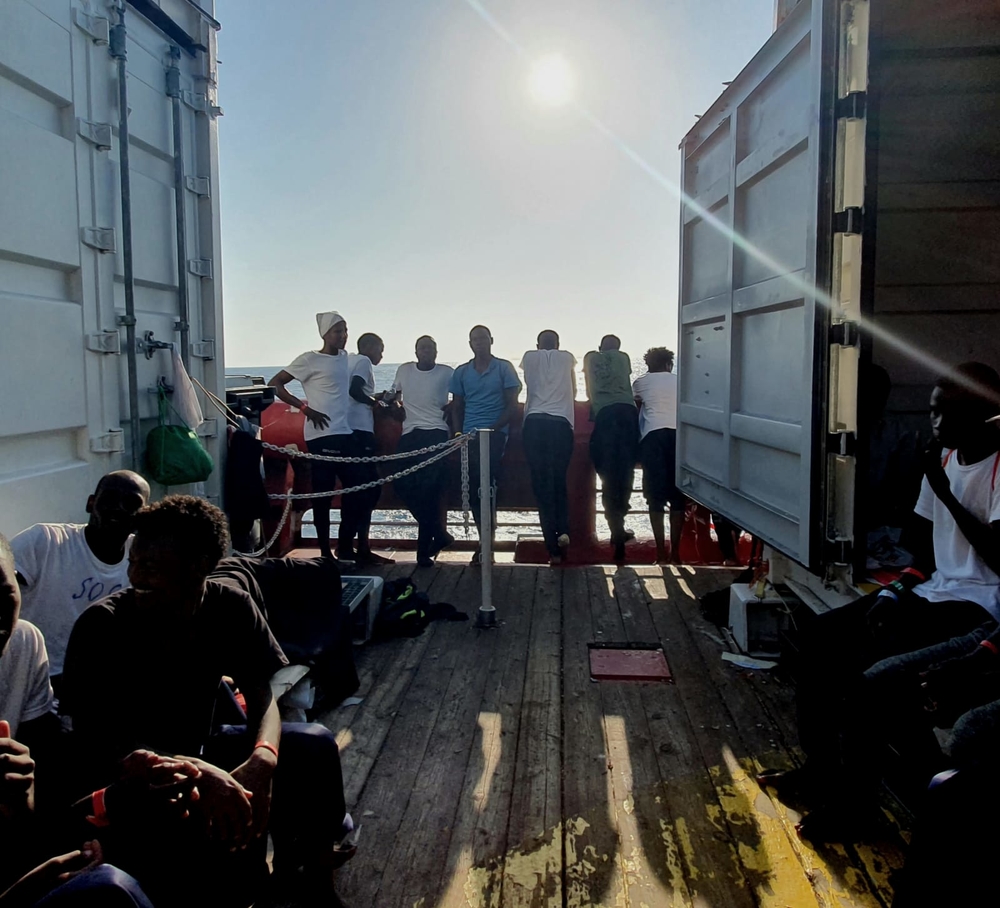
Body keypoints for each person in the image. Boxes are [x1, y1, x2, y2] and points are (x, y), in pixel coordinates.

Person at [61, 496, 354, 906]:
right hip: (130, 774)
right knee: (209, 817)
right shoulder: (102, 626)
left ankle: (310, 876)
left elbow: (260, 692)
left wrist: (263, 760)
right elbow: (97, 743)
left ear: (200, 564)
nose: (135, 575)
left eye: (151, 566)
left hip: (200, 748)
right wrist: (204, 774)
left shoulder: (229, 606)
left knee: (314, 744)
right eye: (133, 562)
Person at [758, 362, 1000, 838]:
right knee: (818, 637)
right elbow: (926, 549)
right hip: (935, 592)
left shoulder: (991, 470)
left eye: (945, 414)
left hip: (981, 607)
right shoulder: (945, 460)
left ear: (985, 415)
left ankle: (856, 808)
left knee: (870, 676)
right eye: (932, 413)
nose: (934, 424)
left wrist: (947, 492)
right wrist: (894, 590)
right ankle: (820, 768)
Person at [11, 472, 150, 684]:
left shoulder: (144, 558)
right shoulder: (45, 541)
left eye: (130, 503)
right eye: (110, 498)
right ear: (91, 504)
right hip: (40, 682)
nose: (118, 508)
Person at [269, 312, 353, 561]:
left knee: (360, 488)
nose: (343, 336)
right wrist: (305, 408)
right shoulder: (309, 359)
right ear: (325, 334)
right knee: (323, 494)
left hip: (344, 433)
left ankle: (345, 546)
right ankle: (326, 552)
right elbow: (276, 384)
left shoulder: (345, 357)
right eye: (338, 331)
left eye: (345, 330)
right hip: (322, 434)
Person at [449, 326, 521, 563]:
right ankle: (484, 541)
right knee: (473, 490)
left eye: (483, 338)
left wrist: (493, 429)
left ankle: (487, 545)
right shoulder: (461, 372)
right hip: (468, 436)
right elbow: (457, 406)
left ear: (492, 340)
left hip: (495, 434)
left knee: (486, 486)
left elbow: (512, 404)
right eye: (474, 339)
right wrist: (459, 433)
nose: (479, 342)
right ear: (470, 343)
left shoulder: (503, 368)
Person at [392, 337, 455, 567]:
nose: (426, 352)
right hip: (410, 432)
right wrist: (396, 407)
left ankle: (423, 554)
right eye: (422, 348)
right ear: (416, 351)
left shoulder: (447, 372)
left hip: (436, 432)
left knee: (428, 492)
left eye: (430, 348)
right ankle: (439, 533)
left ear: (437, 352)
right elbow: (394, 395)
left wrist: (453, 408)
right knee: (400, 483)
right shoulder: (404, 370)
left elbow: (460, 397)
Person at [520, 331, 576, 565]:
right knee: (558, 481)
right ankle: (563, 529)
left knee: (541, 487)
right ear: (559, 344)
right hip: (561, 424)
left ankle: (552, 550)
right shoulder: (567, 357)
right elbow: (573, 388)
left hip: (534, 424)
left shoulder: (529, 357)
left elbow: (529, 383)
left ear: (537, 345)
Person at [583, 335, 639, 562]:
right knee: (626, 473)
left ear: (600, 348)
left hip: (605, 418)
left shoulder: (590, 358)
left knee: (607, 477)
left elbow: (589, 389)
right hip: (628, 415)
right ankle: (620, 522)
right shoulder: (624, 358)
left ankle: (615, 528)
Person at [344, 333, 395, 566]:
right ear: (368, 347)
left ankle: (347, 545)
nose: (382, 354)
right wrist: (377, 403)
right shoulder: (363, 362)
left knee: (353, 490)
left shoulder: (349, 361)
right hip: (360, 431)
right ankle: (359, 547)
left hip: (345, 430)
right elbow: (355, 391)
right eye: (380, 348)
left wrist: (374, 397)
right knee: (369, 489)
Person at [632, 347, 685, 564]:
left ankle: (661, 554)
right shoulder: (680, 381)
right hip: (679, 438)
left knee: (655, 498)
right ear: (668, 364)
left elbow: (636, 411)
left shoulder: (639, 383)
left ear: (648, 365)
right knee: (678, 498)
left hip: (653, 438)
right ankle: (676, 554)